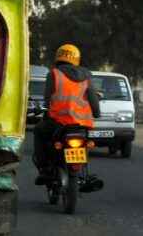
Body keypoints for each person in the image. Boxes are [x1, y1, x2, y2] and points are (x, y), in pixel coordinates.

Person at [33, 44, 101, 184]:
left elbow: (48, 98)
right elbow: (93, 98)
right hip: (82, 124)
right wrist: (97, 113)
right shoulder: (87, 75)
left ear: (58, 57)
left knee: (39, 132)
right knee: (85, 143)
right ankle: (84, 173)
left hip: (58, 123)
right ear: (76, 58)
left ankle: (45, 169)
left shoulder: (54, 74)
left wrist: (44, 109)